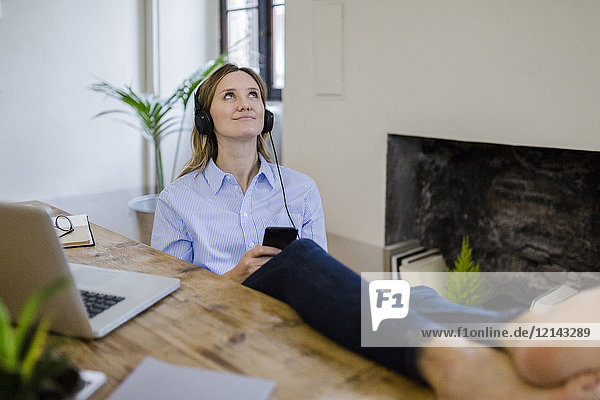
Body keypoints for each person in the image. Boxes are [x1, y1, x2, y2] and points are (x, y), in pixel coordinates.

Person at [152, 63, 600, 399]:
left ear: (265, 115)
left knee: (410, 296)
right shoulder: (178, 199)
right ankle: (449, 361)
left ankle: (521, 332)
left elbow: (319, 268)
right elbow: (171, 295)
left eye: (252, 93)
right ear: (206, 118)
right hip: (230, 306)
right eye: (229, 95)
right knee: (302, 259)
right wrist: (234, 276)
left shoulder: (300, 188)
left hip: (294, 294)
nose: (245, 101)